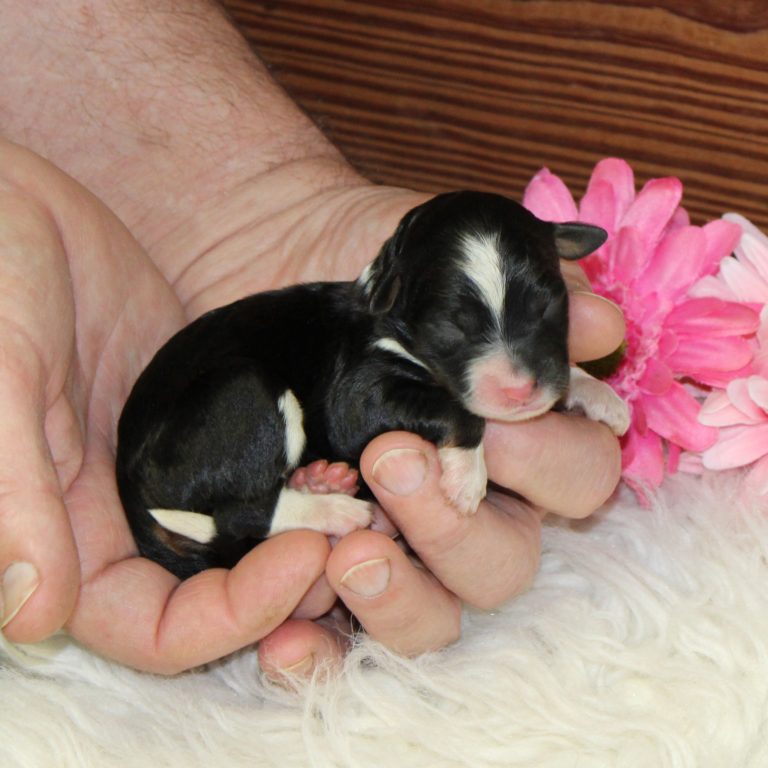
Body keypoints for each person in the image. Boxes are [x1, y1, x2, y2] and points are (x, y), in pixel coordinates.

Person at [0, 0, 625, 678]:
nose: (521, 372)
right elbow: (367, 409)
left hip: (222, 466)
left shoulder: (388, 322)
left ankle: (270, 510)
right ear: (396, 301)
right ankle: (260, 511)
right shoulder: (369, 340)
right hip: (187, 460)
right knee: (264, 402)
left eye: (539, 315)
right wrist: (463, 432)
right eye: (457, 325)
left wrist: (578, 382)